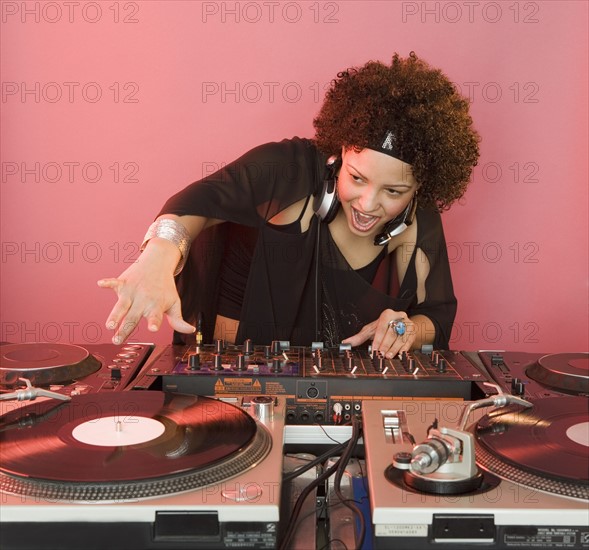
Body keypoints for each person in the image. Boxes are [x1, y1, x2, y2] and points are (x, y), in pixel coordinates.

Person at [98, 52, 479, 358]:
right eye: (357, 178)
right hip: (240, 364)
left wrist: (408, 330)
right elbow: (198, 202)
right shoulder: (287, 168)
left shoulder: (422, 223)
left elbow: (437, 318)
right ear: (341, 152)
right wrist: (158, 257)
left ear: (419, 188)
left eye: (393, 192)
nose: (367, 204)